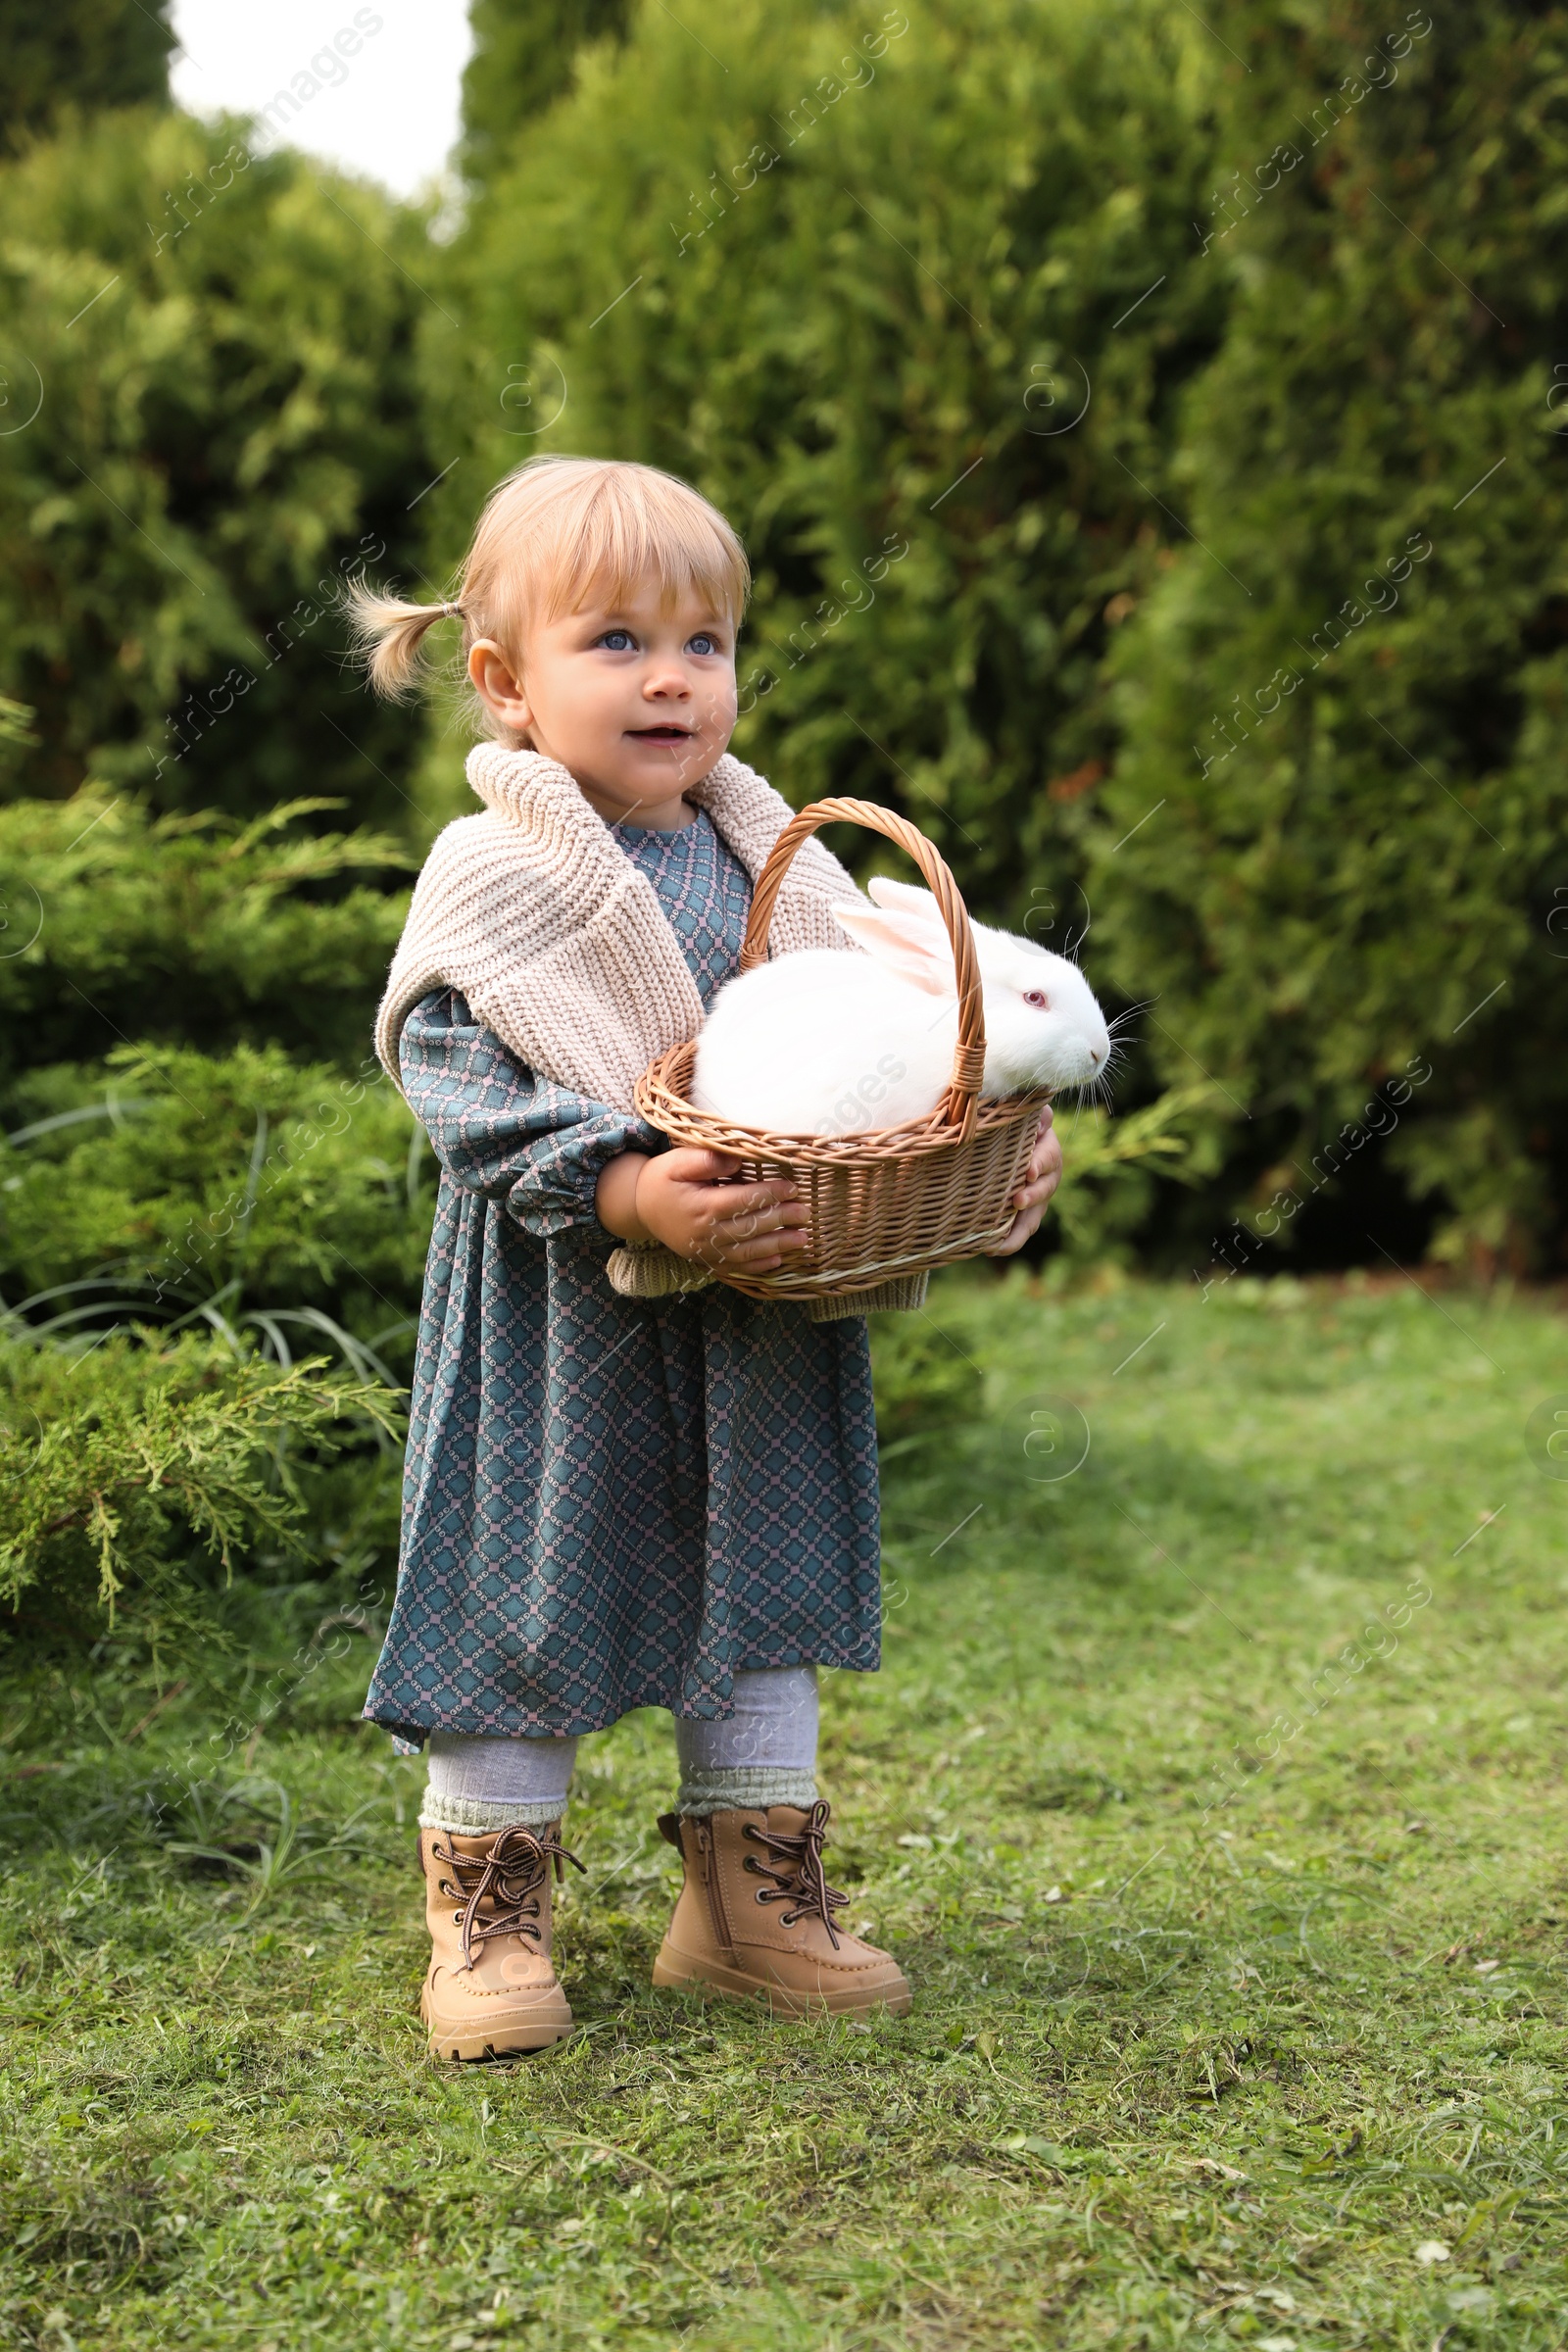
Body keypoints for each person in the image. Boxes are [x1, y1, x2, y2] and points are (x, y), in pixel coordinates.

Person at [350, 456, 1062, 2058]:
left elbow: (903, 1053)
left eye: (708, 642)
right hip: (563, 1305)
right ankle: (488, 1910)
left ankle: (750, 1901)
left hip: (763, 1302)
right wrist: (617, 1189)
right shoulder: (498, 873)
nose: (672, 677)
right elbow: (451, 1078)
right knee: (523, 1588)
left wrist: (988, 1138)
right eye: (615, 641)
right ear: (504, 683)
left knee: (764, 1578)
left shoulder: (785, 866)